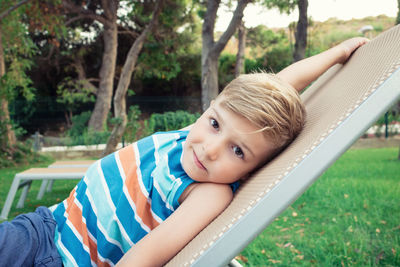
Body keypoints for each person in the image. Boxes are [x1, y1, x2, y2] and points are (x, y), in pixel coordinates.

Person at [0, 37, 368, 267]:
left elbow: (142, 261)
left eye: (238, 151)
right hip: (42, 226)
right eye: (214, 123)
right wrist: (336, 53)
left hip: (61, 260)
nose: (210, 149)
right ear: (211, 107)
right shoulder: (198, 132)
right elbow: (281, 83)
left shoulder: (209, 192)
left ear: (254, 167)